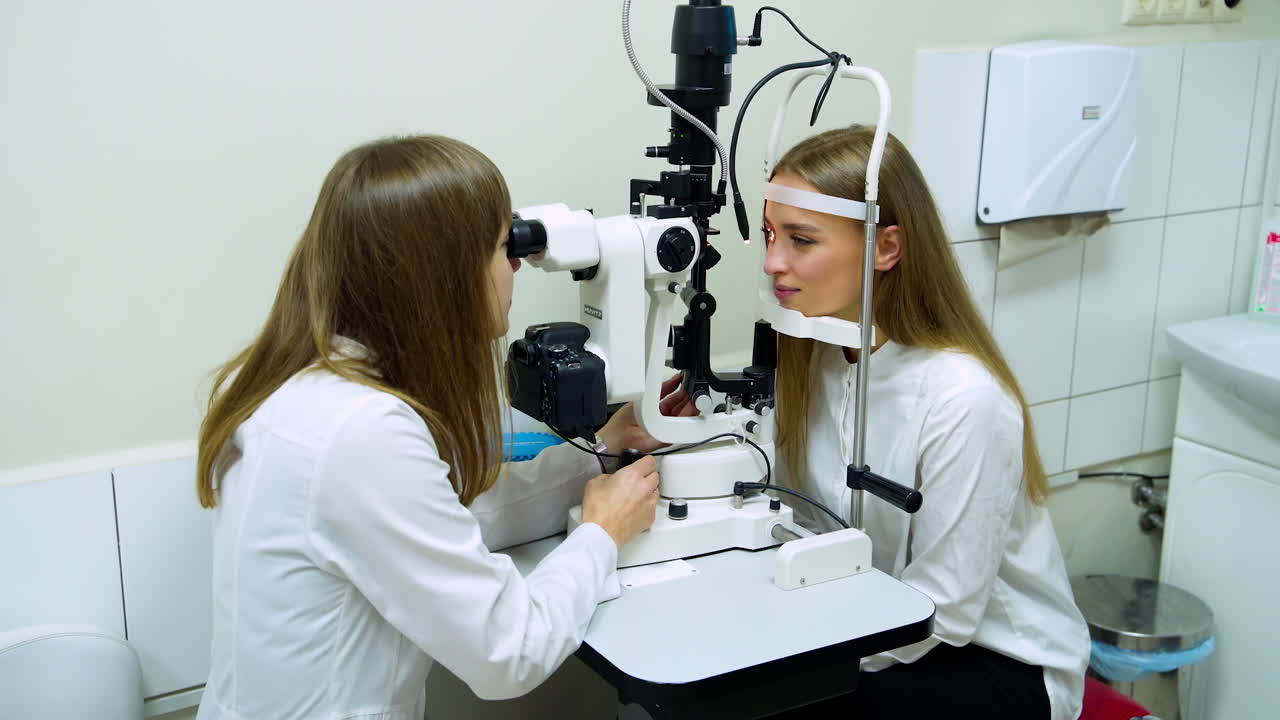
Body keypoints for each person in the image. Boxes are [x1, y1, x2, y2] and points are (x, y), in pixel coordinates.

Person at [193, 135, 667, 719]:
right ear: (443, 277)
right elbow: (508, 654)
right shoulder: (361, 432)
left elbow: (445, 520)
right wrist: (601, 536)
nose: (517, 264)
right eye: (502, 247)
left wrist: (599, 455)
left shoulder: (302, 388)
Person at [758, 125, 1090, 720]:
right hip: (875, 624)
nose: (772, 262)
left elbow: (945, 610)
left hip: (993, 658)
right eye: (770, 234)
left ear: (886, 248)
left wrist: (792, 654)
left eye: (801, 240)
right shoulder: (815, 354)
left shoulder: (963, 397)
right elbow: (796, 516)